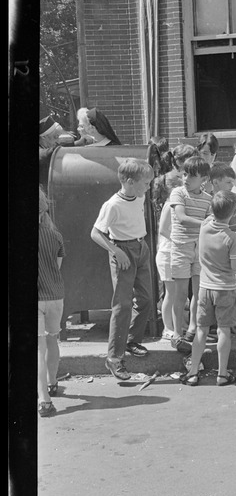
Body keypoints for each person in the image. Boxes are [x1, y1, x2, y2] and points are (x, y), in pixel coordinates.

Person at [90, 158, 154, 380]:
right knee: (122, 305)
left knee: (146, 299)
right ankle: (114, 359)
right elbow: (96, 233)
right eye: (145, 183)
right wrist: (117, 252)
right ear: (128, 182)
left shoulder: (138, 195)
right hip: (123, 252)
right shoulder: (112, 205)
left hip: (141, 247)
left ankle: (131, 341)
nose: (148, 187)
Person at [179, 191, 236, 387]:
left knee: (201, 330)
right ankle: (222, 374)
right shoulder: (232, 238)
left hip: (205, 288)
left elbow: (212, 216)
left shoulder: (205, 227)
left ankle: (192, 372)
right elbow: (235, 266)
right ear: (232, 214)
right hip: (225, 288)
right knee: (224, 330)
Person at [167, 155, 213, 353]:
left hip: (199, 249)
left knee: (197, 293)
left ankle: (192, 327)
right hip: (181, 248)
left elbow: (213, 220)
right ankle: (177, 332)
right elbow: (181, 217)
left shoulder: (208, 199)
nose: (186, 178)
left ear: (203, 179)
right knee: (180, 294)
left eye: (192, 176)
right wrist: (205, 223)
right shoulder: (178, 193)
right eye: (185, 174)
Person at [38, 187, 65, 416]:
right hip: (55, 295)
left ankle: (44, 400)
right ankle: (52, 382)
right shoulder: (55, 235)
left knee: (38, 347)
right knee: (52, 340)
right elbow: (57, 267)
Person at [152, 170, 182, 341]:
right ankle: (167, 328)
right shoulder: (169, 204)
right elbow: (164, 229)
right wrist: (178, 241)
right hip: (168, 252)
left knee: (176, 292)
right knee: (170, 293)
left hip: (173, 252)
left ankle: (175, 325)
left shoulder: (174, 203)